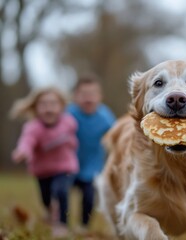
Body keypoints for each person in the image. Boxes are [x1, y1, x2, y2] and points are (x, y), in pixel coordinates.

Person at [11, 87, 78, 237]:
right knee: (46, 198)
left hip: (65, 167)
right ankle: (49, 211)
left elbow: (74, 139)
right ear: (35, 108)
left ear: (61, 106)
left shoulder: (69, 123)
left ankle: (62, 224)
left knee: (60, 191)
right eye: (44, 104)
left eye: (53, 104)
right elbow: (27, 142)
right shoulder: (33, 128)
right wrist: (23, 152)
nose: (49, 109)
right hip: (43, 171)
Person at [67, 74, 116, 230]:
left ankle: (83, 226)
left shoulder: (105, 117)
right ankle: (60, 221)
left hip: (92, 167)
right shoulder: (68, 114)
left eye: (92, 94)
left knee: (89, 197)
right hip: (68, 164)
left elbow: (116, 138)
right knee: (60, 192)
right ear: (75, 96)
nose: (88, 99)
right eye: (84, 95)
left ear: (100, 96)